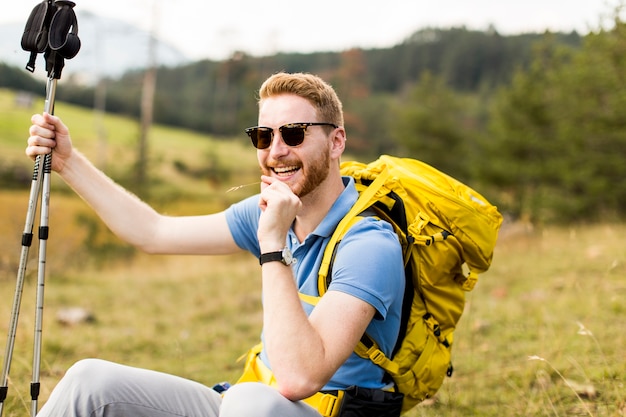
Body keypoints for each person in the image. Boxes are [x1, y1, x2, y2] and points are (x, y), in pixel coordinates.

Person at [26, 72, 405, 417]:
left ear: (336, 141)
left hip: (318, 411)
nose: (275, 151)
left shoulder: (369, 244)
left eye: (294, 133)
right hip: (245, 406)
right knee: (89, 381)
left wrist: (272, 244)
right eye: (263, 136)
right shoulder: (265, 213)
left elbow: (298, 379)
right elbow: (153, 232)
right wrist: (67, 162)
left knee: (250, 402)